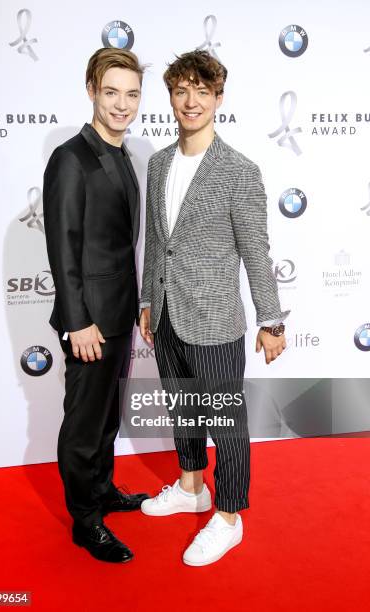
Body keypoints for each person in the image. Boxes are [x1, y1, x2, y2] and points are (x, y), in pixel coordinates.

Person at [139, 50, 289, 566]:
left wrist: (271, 321)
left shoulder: (239, 171)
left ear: (218, 99)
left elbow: (256, 251)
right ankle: (190, 487)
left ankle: (228, 516)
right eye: (182, 91)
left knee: (225, 422)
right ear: (172, 98)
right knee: (182, 409)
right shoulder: (158, 164)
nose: (191, 101)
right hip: (166, 314)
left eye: (202, 91)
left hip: (215, 318)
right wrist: (145, 299)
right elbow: (157, 243)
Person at [43, 48, 148, 564]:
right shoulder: (71, 158)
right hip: (89, 321)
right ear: (91, 89)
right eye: (111, 92)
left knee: (107, 417)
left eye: (131, 94)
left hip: (118, 312)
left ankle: (103, 491)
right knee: (84, 425)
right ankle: (86, 522)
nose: (121, 104)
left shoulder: (123, 155)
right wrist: (78, 319)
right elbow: (63, 246)